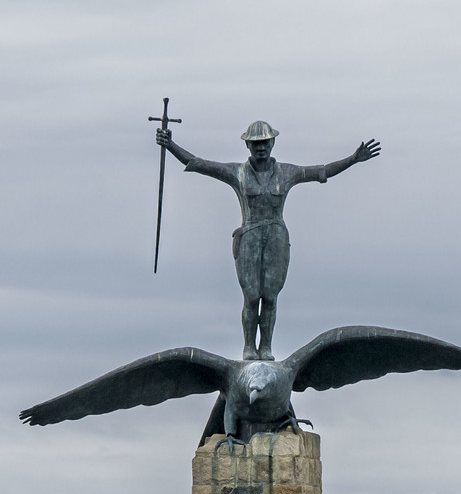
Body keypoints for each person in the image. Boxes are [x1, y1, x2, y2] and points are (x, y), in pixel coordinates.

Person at [157, 119, 380, 361]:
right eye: (255, 143)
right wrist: (170, 146)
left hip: (276, 237)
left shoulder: (287, 172)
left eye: (264, 142)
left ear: (273, 142)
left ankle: (266, 347)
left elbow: (321, 171)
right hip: (250, 236)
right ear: (248, 146)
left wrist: (353, 159)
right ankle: (249, 347)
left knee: (271, 297)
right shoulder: (237, 172)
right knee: (252, 296)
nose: (260, 147)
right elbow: (200, 164)